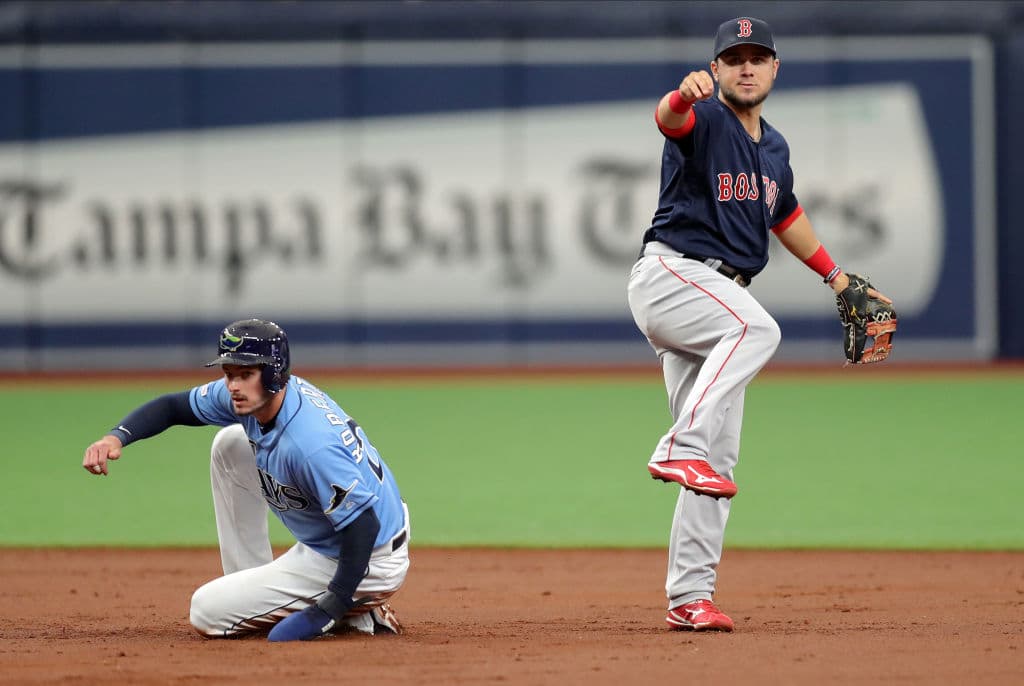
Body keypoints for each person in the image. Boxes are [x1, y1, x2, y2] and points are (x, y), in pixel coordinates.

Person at [626, 17, 892, 632]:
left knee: (719, 462)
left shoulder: (774, 149)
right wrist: (679, 96)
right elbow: (669, 120)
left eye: (757, 57)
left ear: (775, 68)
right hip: (672, 276)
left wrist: (837, 277)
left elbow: (785, 212)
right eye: (733, 58)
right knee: (759, 331)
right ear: (715, 69)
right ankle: (679, 445)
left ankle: (689, 597)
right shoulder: (705, 117)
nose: (746, 67)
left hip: (714, 301)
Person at [82, 318, 410, 641]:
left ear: (273, 373)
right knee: (231, 445)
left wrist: (331, 607)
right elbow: (172, 407)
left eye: (245, 374)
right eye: (229, 374)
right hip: (343, 534)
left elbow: (363, 525)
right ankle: (252, 584)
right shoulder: (264, 397)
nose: (233, 386)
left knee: (206, 611)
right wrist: (115, 438)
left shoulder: (310, 444)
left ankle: (361, 608)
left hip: (369, 558)